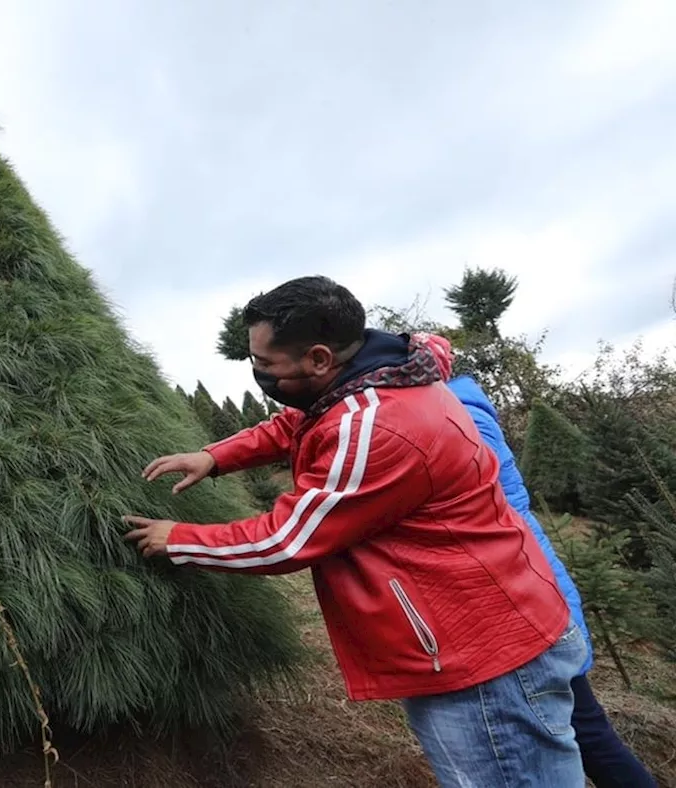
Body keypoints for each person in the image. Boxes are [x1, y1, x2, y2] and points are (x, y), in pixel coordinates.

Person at [122, 276, 585, 787]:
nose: (258, 374)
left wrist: (180, 539)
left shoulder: (380, 428)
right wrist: (214, 456)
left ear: (318, 358)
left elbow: (288, 539)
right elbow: (300, 423)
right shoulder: (380, 374)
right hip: (480, 632)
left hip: (482, 661)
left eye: (264, 364)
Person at [424, 335, 658, 788]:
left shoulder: (455, 418)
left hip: (525, 587)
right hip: (534, 579)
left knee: (587, 733)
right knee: (588, 731)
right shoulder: (460, 406)